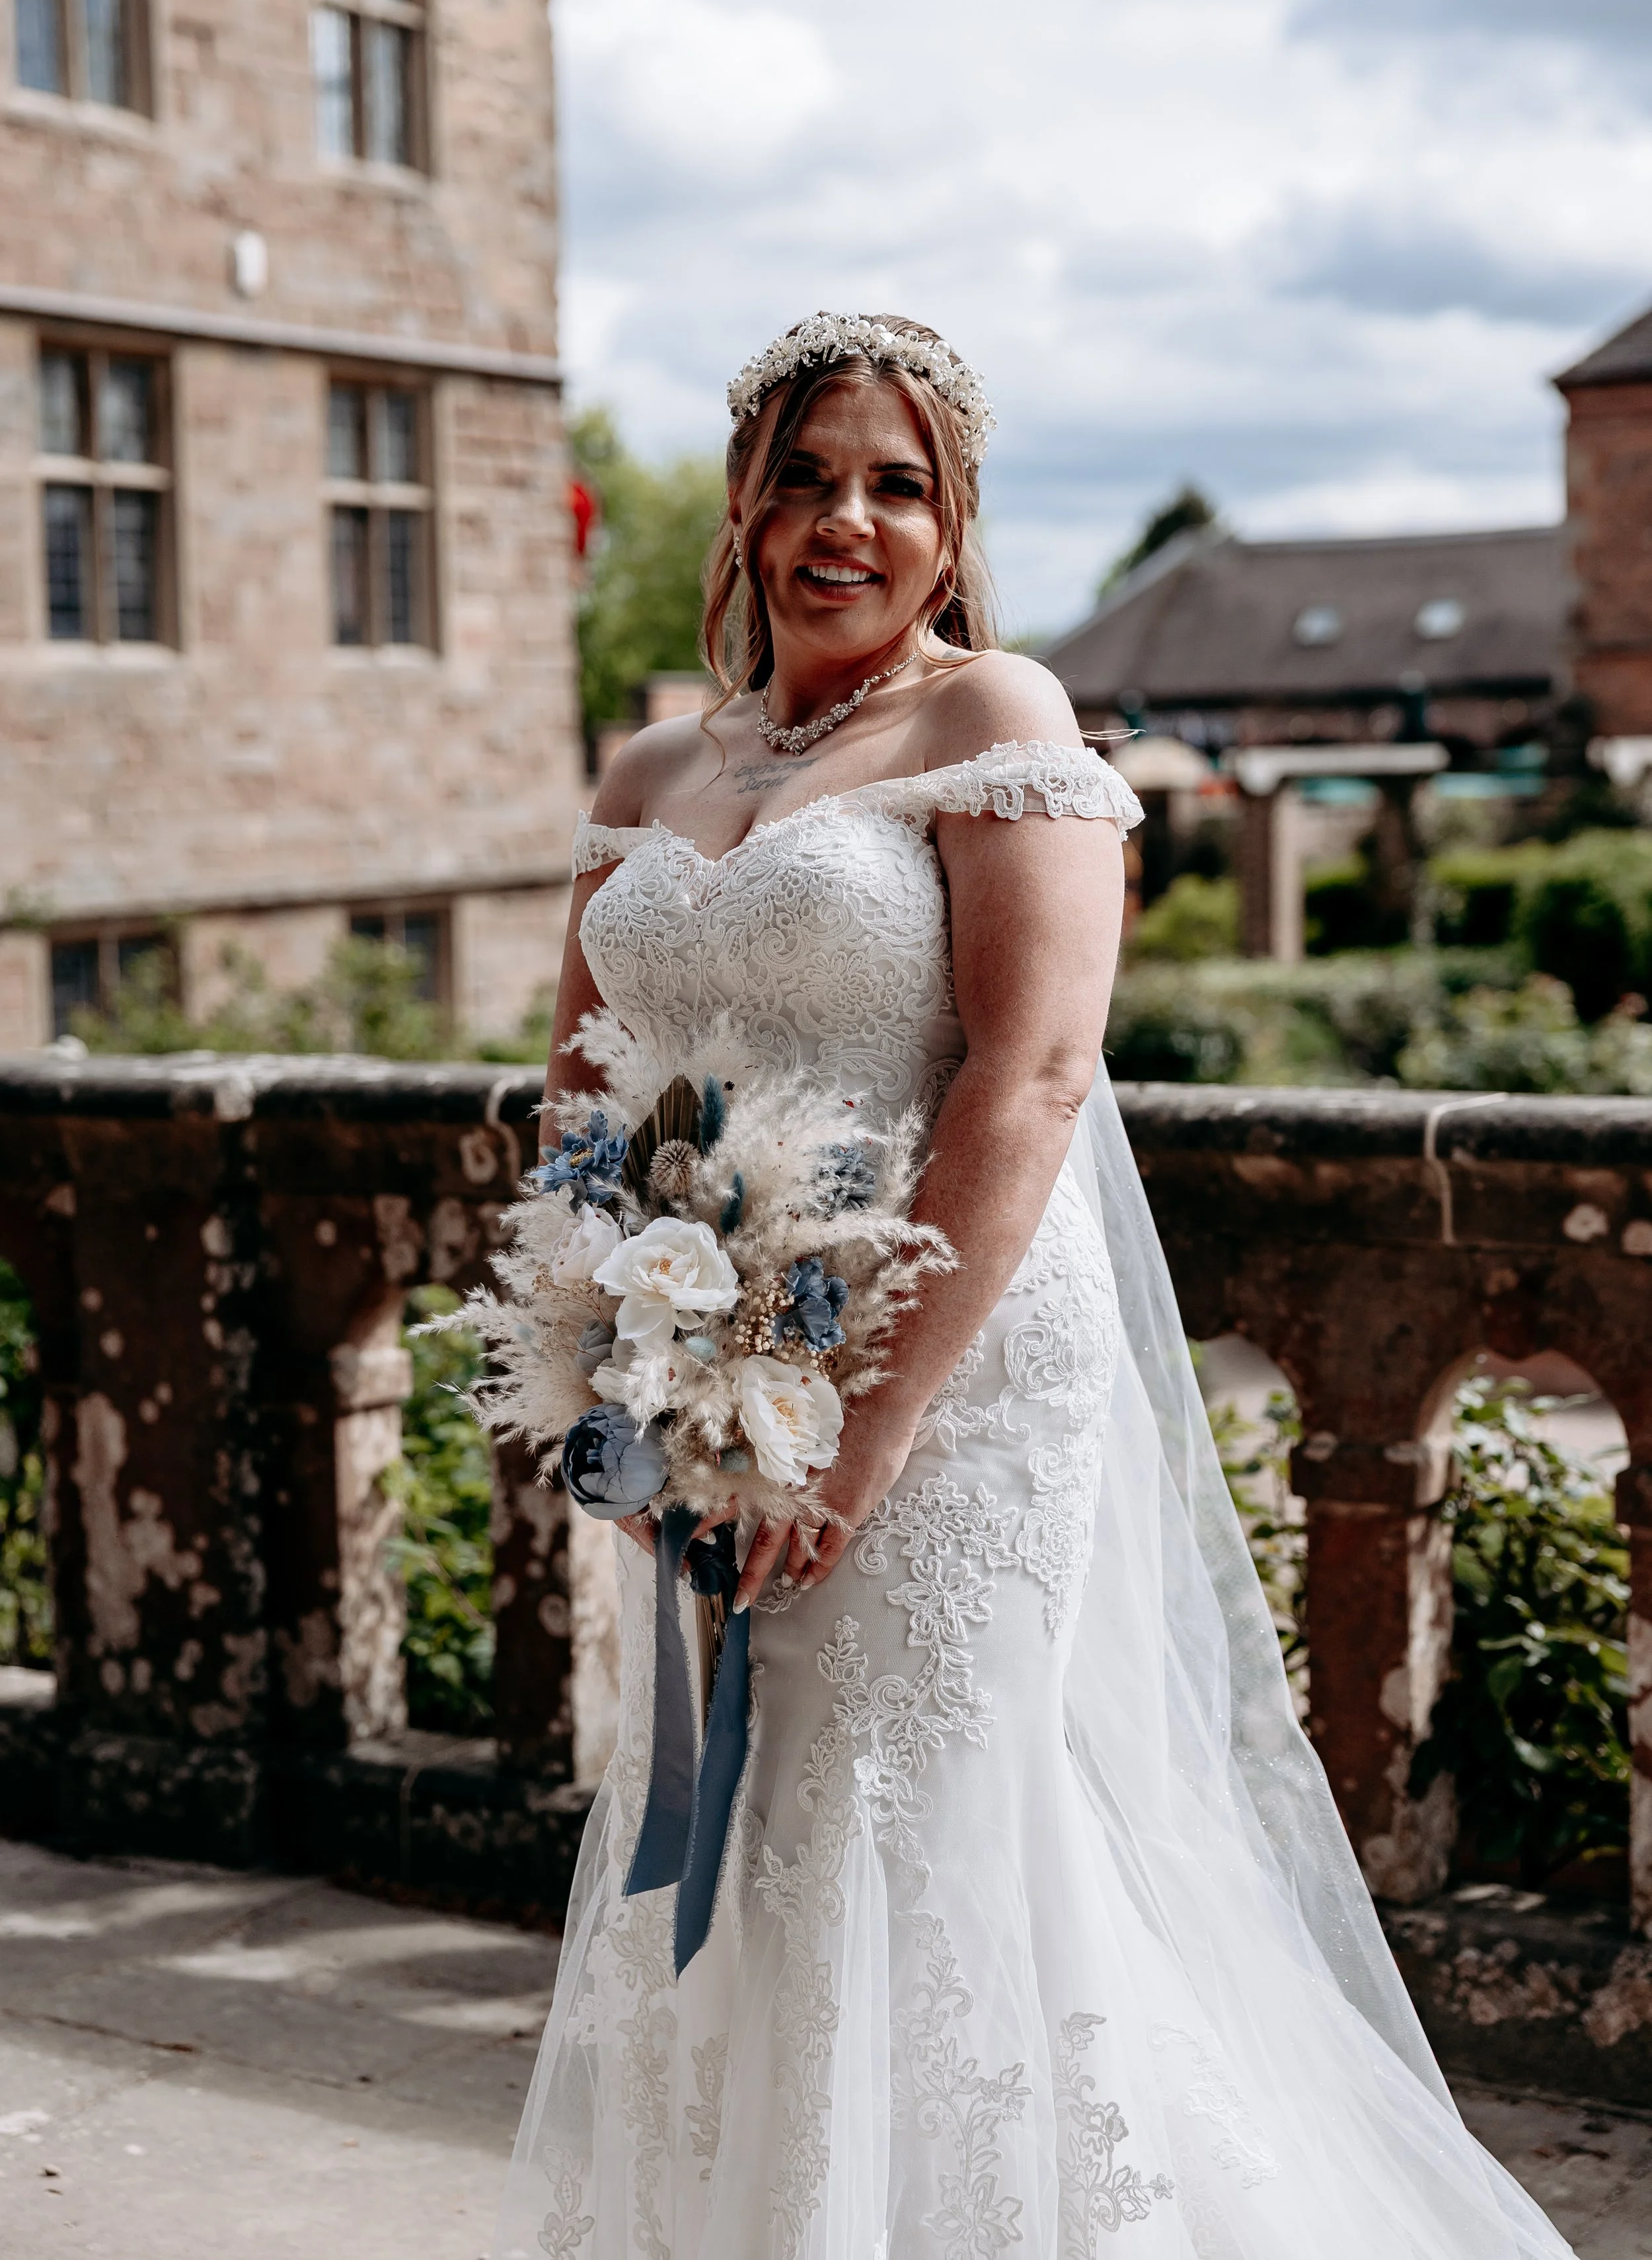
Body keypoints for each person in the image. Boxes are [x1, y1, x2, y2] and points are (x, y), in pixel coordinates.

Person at [496, 312, 1573, 2259]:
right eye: (808, 474)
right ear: (743, 501)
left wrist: (863, 1430)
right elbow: (585, 1077)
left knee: (922, 1825)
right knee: (739, 1818)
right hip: (707, 1351)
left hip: (953, 1368)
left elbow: (1034, 1073)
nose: (848, 518)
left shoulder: (996, 719)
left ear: (955, 518)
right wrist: (612, 1355)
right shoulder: (658, 757)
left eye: (894, 483)